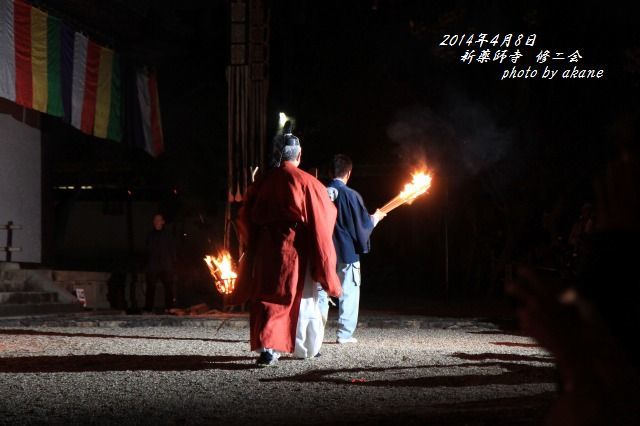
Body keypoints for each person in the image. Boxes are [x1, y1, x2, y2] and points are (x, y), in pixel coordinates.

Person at [230, 125, 342, 366]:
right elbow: (322, 219)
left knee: (266, 296)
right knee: (298, 298)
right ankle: (304, 348)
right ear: (299, 155)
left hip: (265, 248)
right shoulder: (308, 182)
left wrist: (252, 245)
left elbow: (245, 216)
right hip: (295, 250)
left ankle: (268, 348)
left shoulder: (262, 182)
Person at [318, 154, 385, 344]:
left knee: (321, 293)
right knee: (348, 291)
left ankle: (316, 334)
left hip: (324, 250)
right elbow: (362, 224)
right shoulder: (351, 195)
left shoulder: (319, 193)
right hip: (346, 251)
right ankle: (344, 334)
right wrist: (376, 218)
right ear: (348, 173)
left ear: (330, 172)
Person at [144, 213, 176, 313]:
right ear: (153, 222)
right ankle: (148, 309)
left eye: (159, 220)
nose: (157, 222)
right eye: (155, 220)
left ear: (163, 222)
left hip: (166, 266)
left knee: (168, 287)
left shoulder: (168, 235)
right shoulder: (150, 235)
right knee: (151, 287)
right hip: (153, 266)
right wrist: (147, 264)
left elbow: (172, 249)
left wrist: (173, 263)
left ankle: (169, 308)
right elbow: (147, 250)